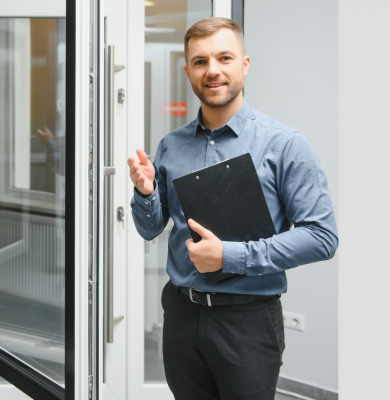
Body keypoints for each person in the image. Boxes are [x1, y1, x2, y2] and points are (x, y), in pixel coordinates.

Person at [128, 17, 338, 400]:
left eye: (224, 58)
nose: (213, 71)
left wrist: (230, 256)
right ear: (189, 70)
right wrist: (145, 193)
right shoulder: (171, 145)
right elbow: (150, 228)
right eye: (200, 61)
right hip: (181, 314)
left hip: (248, 321)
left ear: (244, 64)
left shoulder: (285, 144)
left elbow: (322, 237)